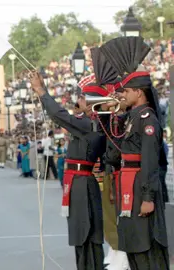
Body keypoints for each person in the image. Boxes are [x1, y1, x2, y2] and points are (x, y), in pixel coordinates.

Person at [101, 36, 169, 269]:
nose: (122, 95)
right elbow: (113, 155)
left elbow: (151, 160)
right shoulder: (129, 119)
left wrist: (149, 197)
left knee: (146, 247)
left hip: (141, 189)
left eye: (127, 91)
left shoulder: (147, 119)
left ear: (139, 93)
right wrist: (113, 119)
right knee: (132, 246)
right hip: (127, 186)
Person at [30, 71, 106, 269]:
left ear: (92, 103)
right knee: (80, 233)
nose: (78, 100)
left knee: (84, 233)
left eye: (82, 97)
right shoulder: (88, 123)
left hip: (82, 183)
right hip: (77, 181)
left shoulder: (89, 124)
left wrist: (41, 91)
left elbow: (58, 115)